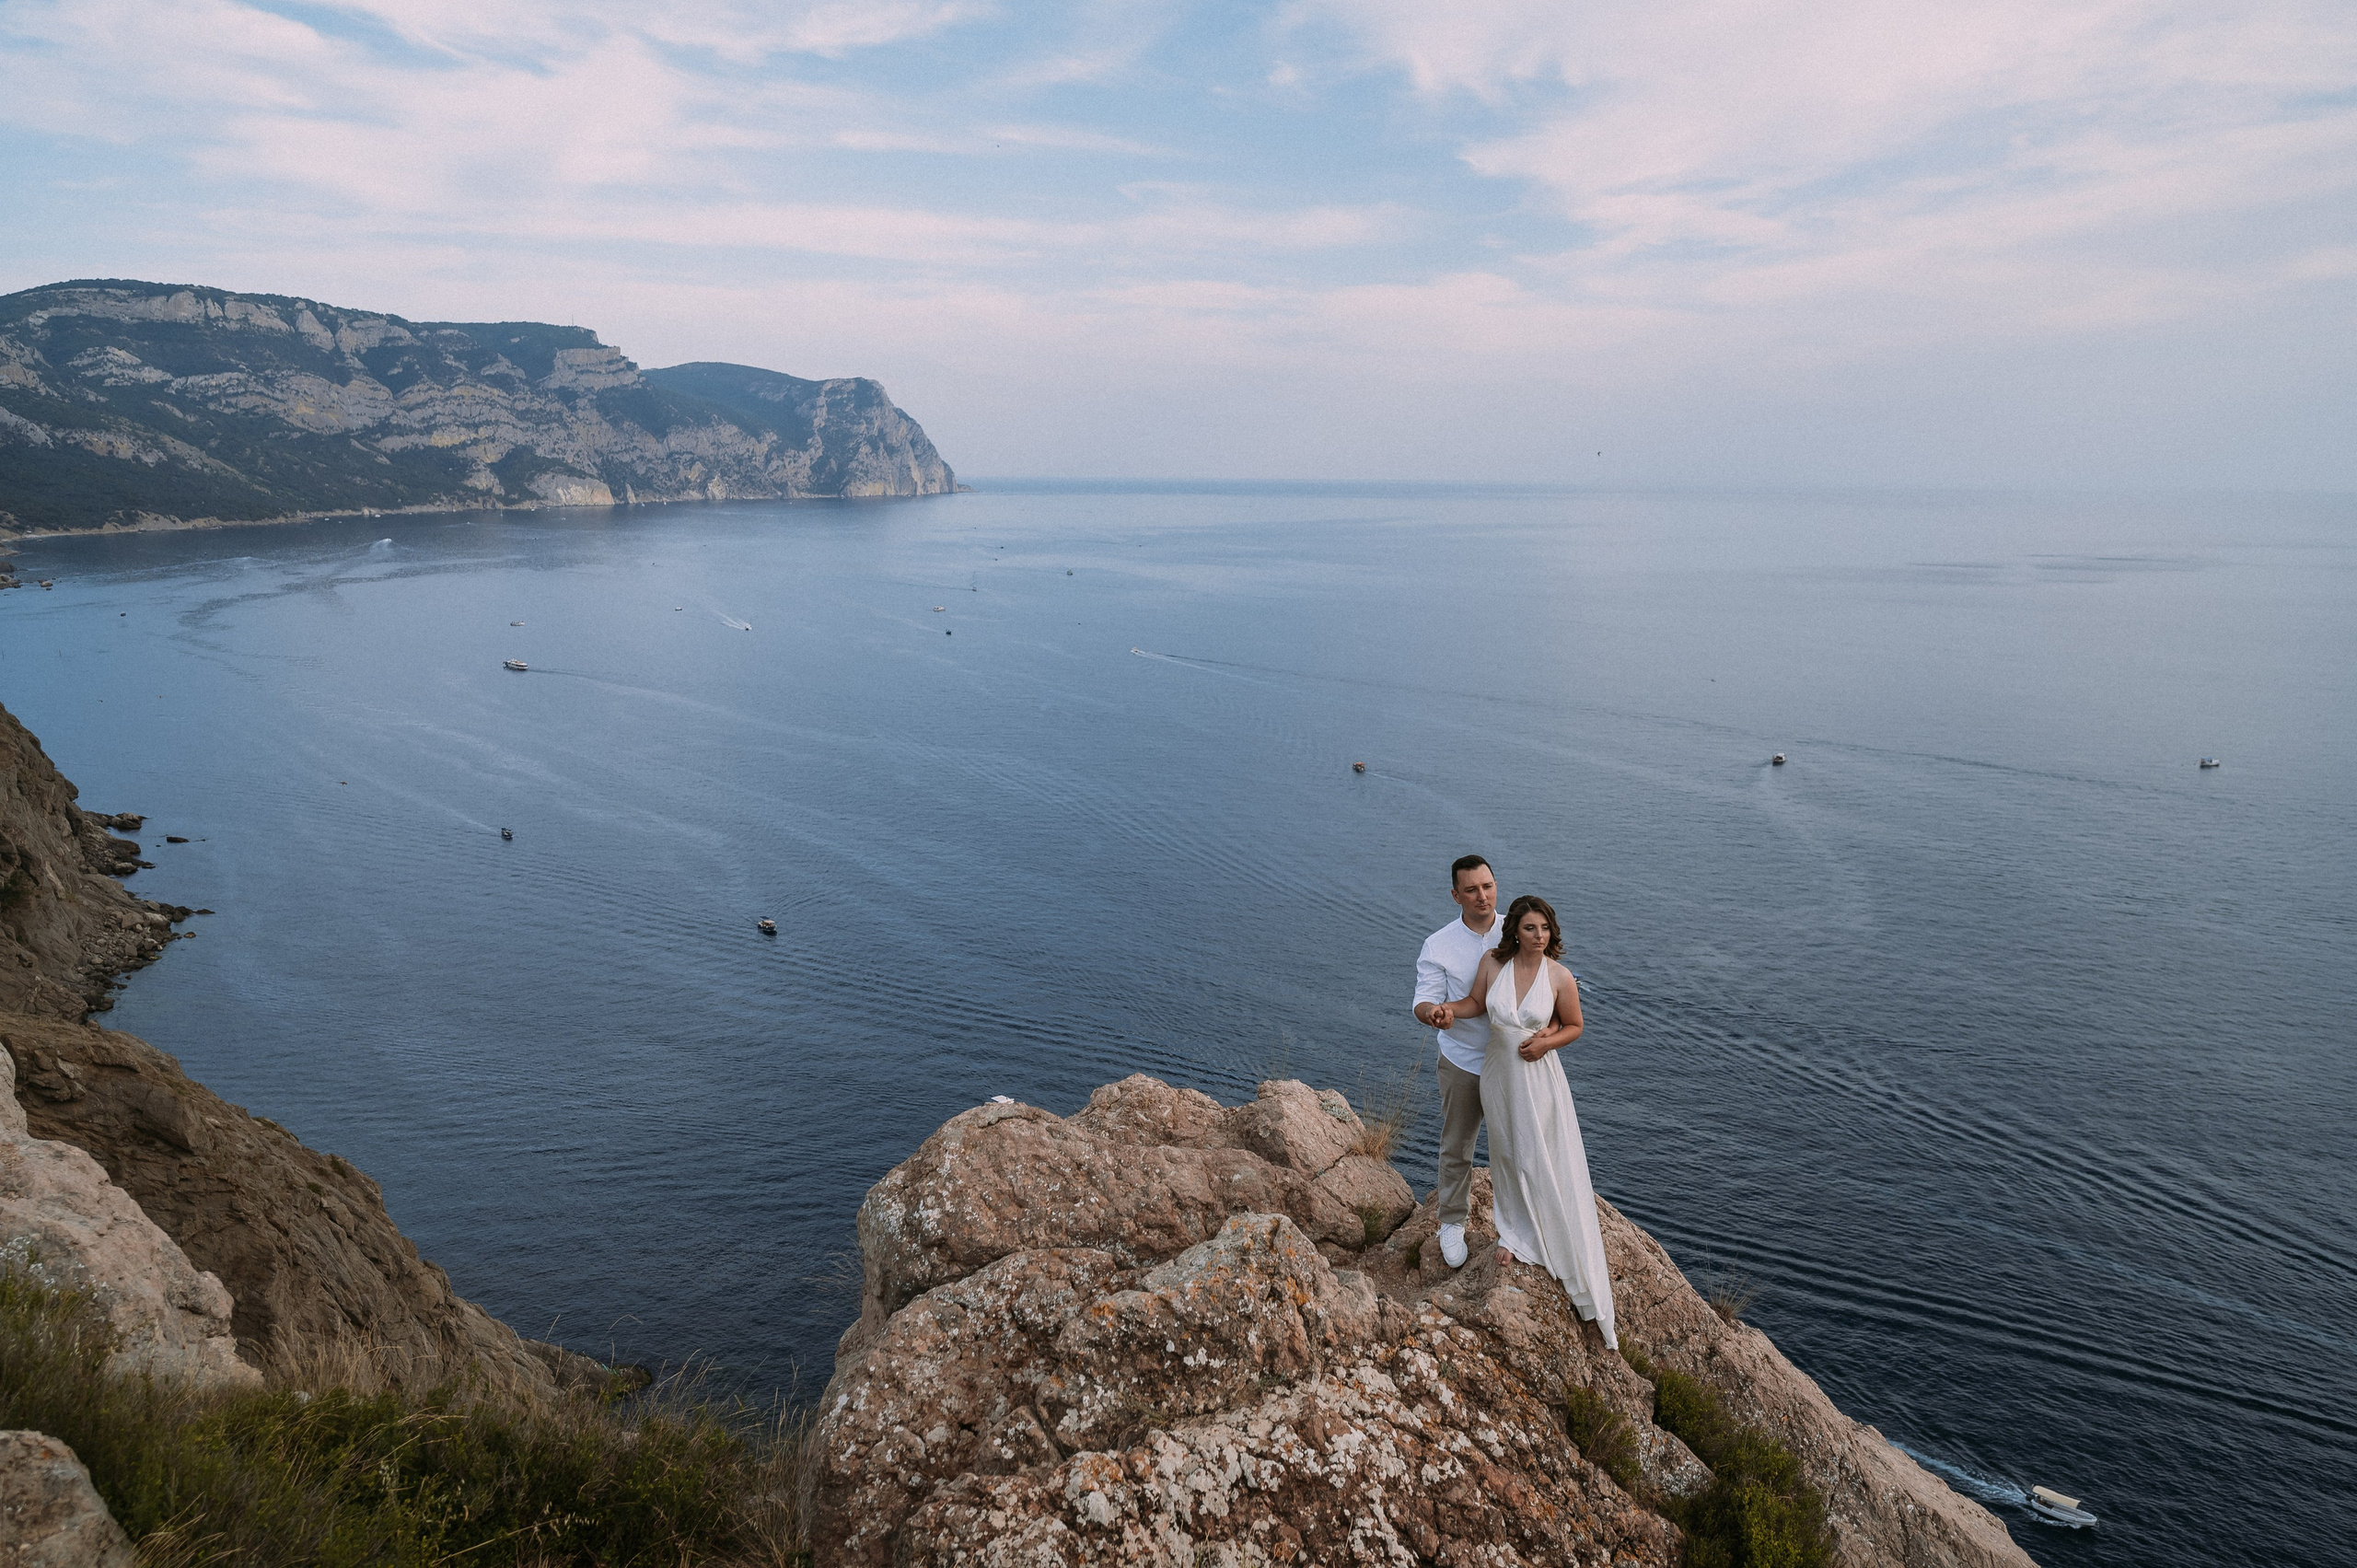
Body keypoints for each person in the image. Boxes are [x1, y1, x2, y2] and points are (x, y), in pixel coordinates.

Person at [1431, 893, 1618, 1349]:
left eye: (1545, 928)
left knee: (1538, 1156)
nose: (1539, 936)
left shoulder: (1559, 976)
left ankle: (1545, 1235)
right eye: (1531, 928)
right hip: (1498, 1073)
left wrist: (1546, 1043)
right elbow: (1476, 1003)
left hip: (1538, 1078)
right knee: (1506, 1155)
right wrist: (1448, 1010)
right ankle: (1513, 1234)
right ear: (1514, 929)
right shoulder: (1493, 964)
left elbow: (1574, 1025)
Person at [1411, 854, 1500, 1270]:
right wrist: (1434, 1013)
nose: (1482, 896)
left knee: (1515, 1148)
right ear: (1455, 895)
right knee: (1457, 1146)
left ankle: (1520, 1228)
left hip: (1511, 1062)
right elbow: (1423, 1000)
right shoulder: (1438, 944)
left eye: (1488, 886)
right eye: (1471, 889)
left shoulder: (1517, 930)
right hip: (1461, 1060)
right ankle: (1451, 1222)